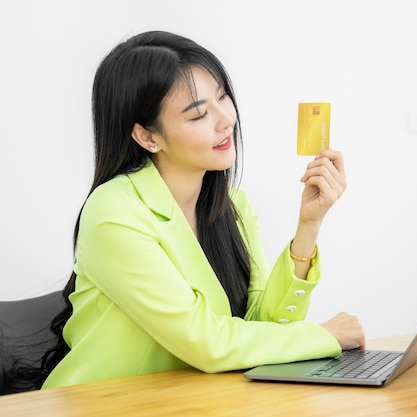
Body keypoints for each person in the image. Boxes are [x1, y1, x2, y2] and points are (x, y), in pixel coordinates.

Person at [36, 30, 365, 390]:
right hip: (104, 404)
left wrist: (308, 226)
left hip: (194, 400)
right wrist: (323, 336)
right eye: (198, 115)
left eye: (223, 97)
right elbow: (206, 342)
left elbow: (265, 328)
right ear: (148, 137)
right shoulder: (113, 212)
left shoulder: (233, 205)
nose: (226, 119)